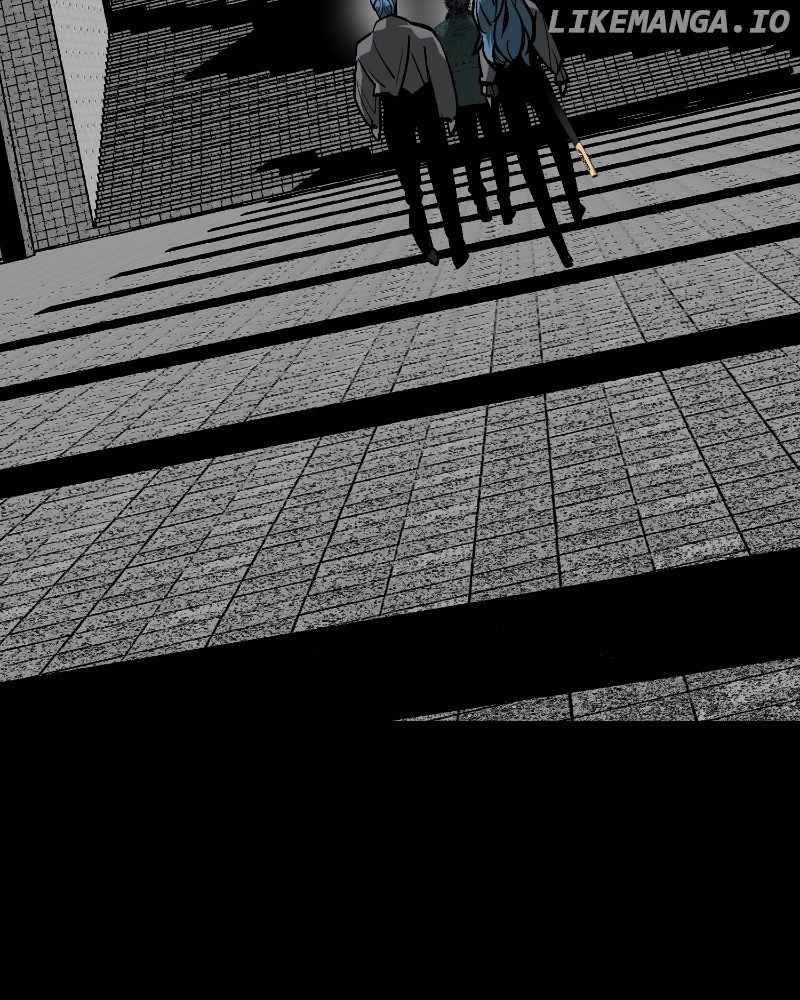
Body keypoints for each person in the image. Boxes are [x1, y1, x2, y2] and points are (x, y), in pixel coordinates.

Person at [475, 0, 599, 267]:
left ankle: (559, 243)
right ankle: (574, 201)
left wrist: (487, 81)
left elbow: (486, 47)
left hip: (506, 83)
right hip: (532, 73)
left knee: (528, 160)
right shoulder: (526, 7)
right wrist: (558, 68)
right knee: (559, 142)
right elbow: (542, 40)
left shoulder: (482, 8)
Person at [355, 0, 469, 269]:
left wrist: (373, 121)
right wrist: (449, 112)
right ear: (395, 5)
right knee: (443, 178)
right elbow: (440, 73)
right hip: (425, 103)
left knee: (410, 185)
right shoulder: (423, 34)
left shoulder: (364, 48)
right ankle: (457, 246)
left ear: (374, 8)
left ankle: (426, 246)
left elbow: (363, 91)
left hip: (393, 110)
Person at [433, 0, 514, 226]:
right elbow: (494, 57)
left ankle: (480, 201)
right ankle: (504, 201)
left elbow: (439, 74)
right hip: (485, 94)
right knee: (497, 150)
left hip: (459, 101)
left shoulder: (438, 33)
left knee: (470, 154)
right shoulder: (481, 25)